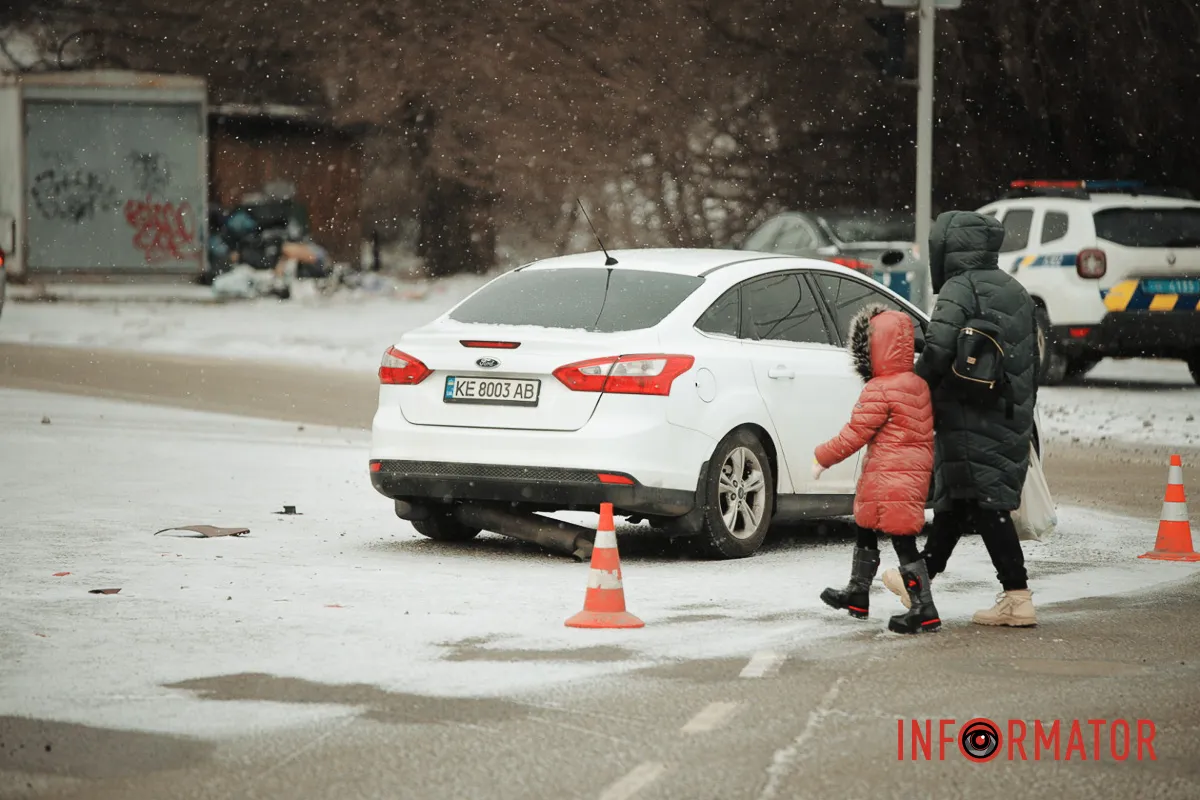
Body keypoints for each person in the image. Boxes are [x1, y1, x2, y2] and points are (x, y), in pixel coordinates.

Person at [882, 210, 1040, 627]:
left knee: (987, 506)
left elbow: (937, 349)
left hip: (970, 413)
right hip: (1005, 409)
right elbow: (1032, 358)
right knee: (958, 501)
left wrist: (910, 393)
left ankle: (1018, 597)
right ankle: (917, 580)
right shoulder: (1015, 289)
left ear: (949, 248)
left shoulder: (960, 287)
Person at [812, 306, 939, 635]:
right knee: (866, 527)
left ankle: (924, 608)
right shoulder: (916, 383)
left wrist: (823, 456)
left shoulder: (879, 389)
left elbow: (855, 434)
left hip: (890, 476)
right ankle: (858, 593)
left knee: (902, 540)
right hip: (905, 474)